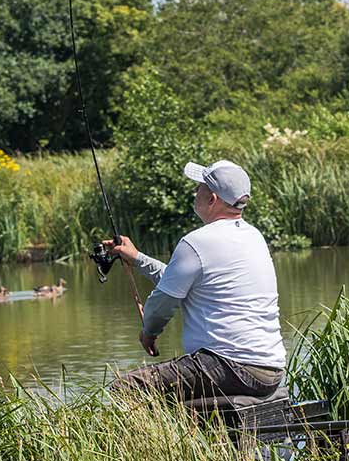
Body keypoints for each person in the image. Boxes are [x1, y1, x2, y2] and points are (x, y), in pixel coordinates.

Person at [106, 159, 285, 401]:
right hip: (270, 371)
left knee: (125, 389)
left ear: (211, 198)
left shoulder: (197, 241)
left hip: (229, 366)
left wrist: (149, 331)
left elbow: (163, 303)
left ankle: (158, 439)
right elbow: (180, 281)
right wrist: (137, 258)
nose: (195, 192)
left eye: (199, 187)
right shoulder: (254, 236)